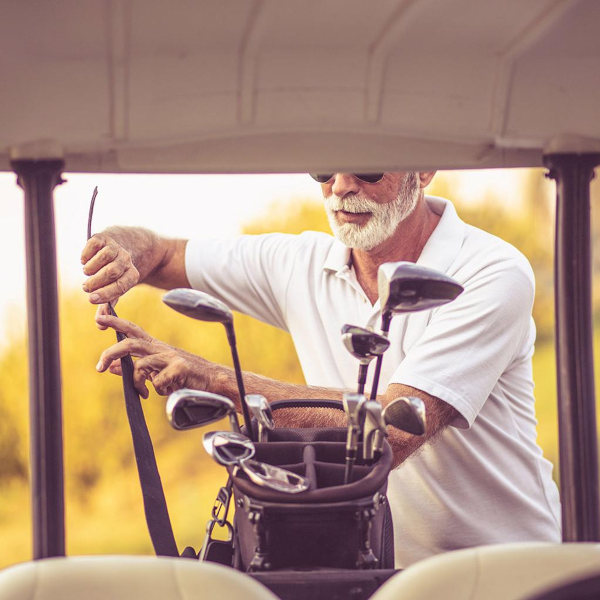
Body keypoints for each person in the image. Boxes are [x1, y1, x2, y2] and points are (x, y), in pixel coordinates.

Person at [81, 171, 562, 568]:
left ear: (425, 168)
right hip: (382, 576)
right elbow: (162, 253)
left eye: (367, 170)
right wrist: (119, 249)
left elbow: (392, 429)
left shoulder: (492, 271)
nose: (341, 187)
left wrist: (215, 380)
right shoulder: (300, 263)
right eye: (323, 171)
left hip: (511, 571)